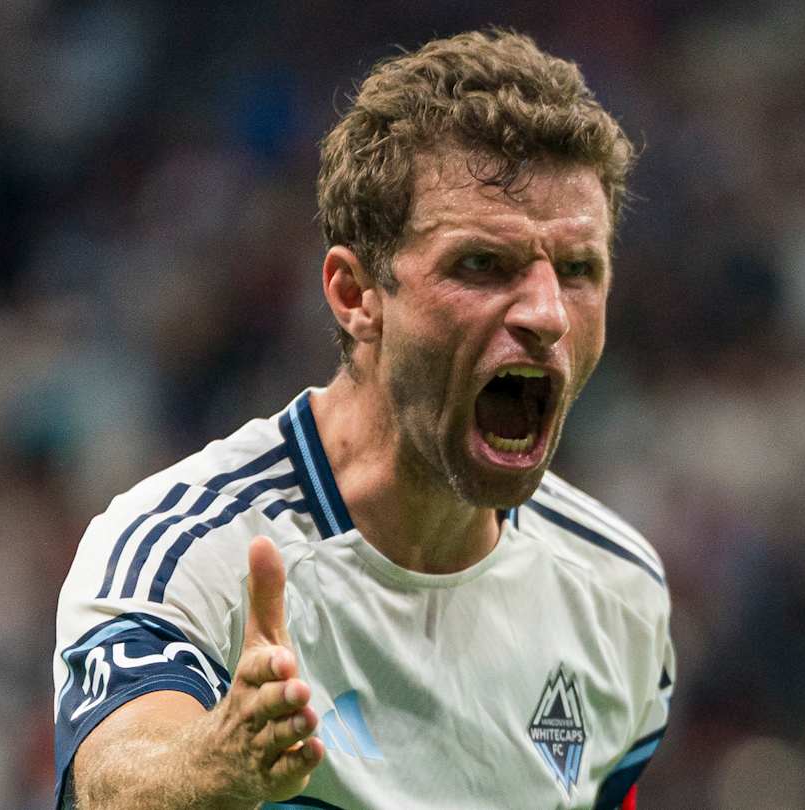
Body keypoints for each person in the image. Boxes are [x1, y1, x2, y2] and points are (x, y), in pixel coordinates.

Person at [52, 28, 674, 809]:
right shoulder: (184, 552)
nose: (548, 313)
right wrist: (215, 765)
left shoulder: (619, 590)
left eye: (579, 270)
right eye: (481, 264)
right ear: (355, 296)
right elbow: (113, 780)